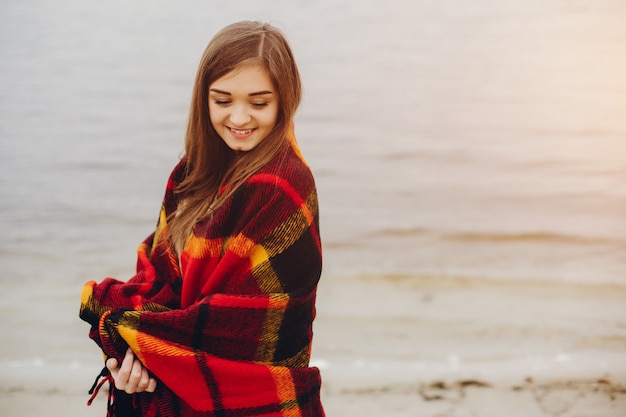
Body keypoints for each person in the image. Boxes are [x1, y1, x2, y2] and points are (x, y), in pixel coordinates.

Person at [80, 21, 324, 417]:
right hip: (176, 380)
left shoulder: (284, 186)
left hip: (255, 401)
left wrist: (144, 345)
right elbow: (157, 275)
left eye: (259, 103)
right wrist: (131, 357)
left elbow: (238, 331)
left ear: (284, 100)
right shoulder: (190, 174)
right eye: (222, 100)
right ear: (203, 99)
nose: (239, 117)